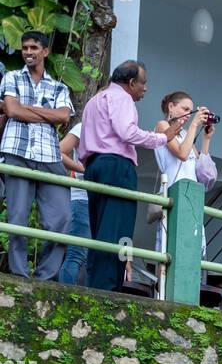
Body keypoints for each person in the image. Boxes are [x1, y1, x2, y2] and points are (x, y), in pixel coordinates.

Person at [78, 60, 171, 292]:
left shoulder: (94, 100)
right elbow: (126, 132)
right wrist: (162, 138)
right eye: (143, 83)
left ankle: (96, 284)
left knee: (100, 228)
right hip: (116, 164)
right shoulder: (123, 98)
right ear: (131, 83)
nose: (146, 89)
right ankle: (107, 289)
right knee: (117, 229)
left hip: (94, 165)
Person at [0, 31, 73, 280]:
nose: (28, 52)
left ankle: (45, 277)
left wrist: (24, 109)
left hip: (49, 156)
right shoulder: (11, 77)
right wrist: (44, 113)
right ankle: (19, 275)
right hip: (17, 151)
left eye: (33, 47)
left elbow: (63, 117)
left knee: (61, 218)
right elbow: (11, 110)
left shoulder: (59, 86)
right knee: (17, 218)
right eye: (25, 48)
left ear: (45, 51)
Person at [152, 92, 218, 281]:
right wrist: (194, 125)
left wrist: (206, 139)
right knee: (169, 249)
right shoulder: (162, 125)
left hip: (191, 197)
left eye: (191, 110)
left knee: (191, 250)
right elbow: (181, 153)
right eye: (185, 109)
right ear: (171, 107)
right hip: (174, 192)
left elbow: (203, 172)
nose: (189, 114)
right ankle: (163, 294)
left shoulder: (184, 134)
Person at [57, 122, 90, 285]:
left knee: (92, 257)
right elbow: (60, 150)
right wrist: (82, 170)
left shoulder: (119, 128)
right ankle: (64, 301)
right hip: (82, 198)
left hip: (101, 200)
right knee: (76, 255)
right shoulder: (85, 126)